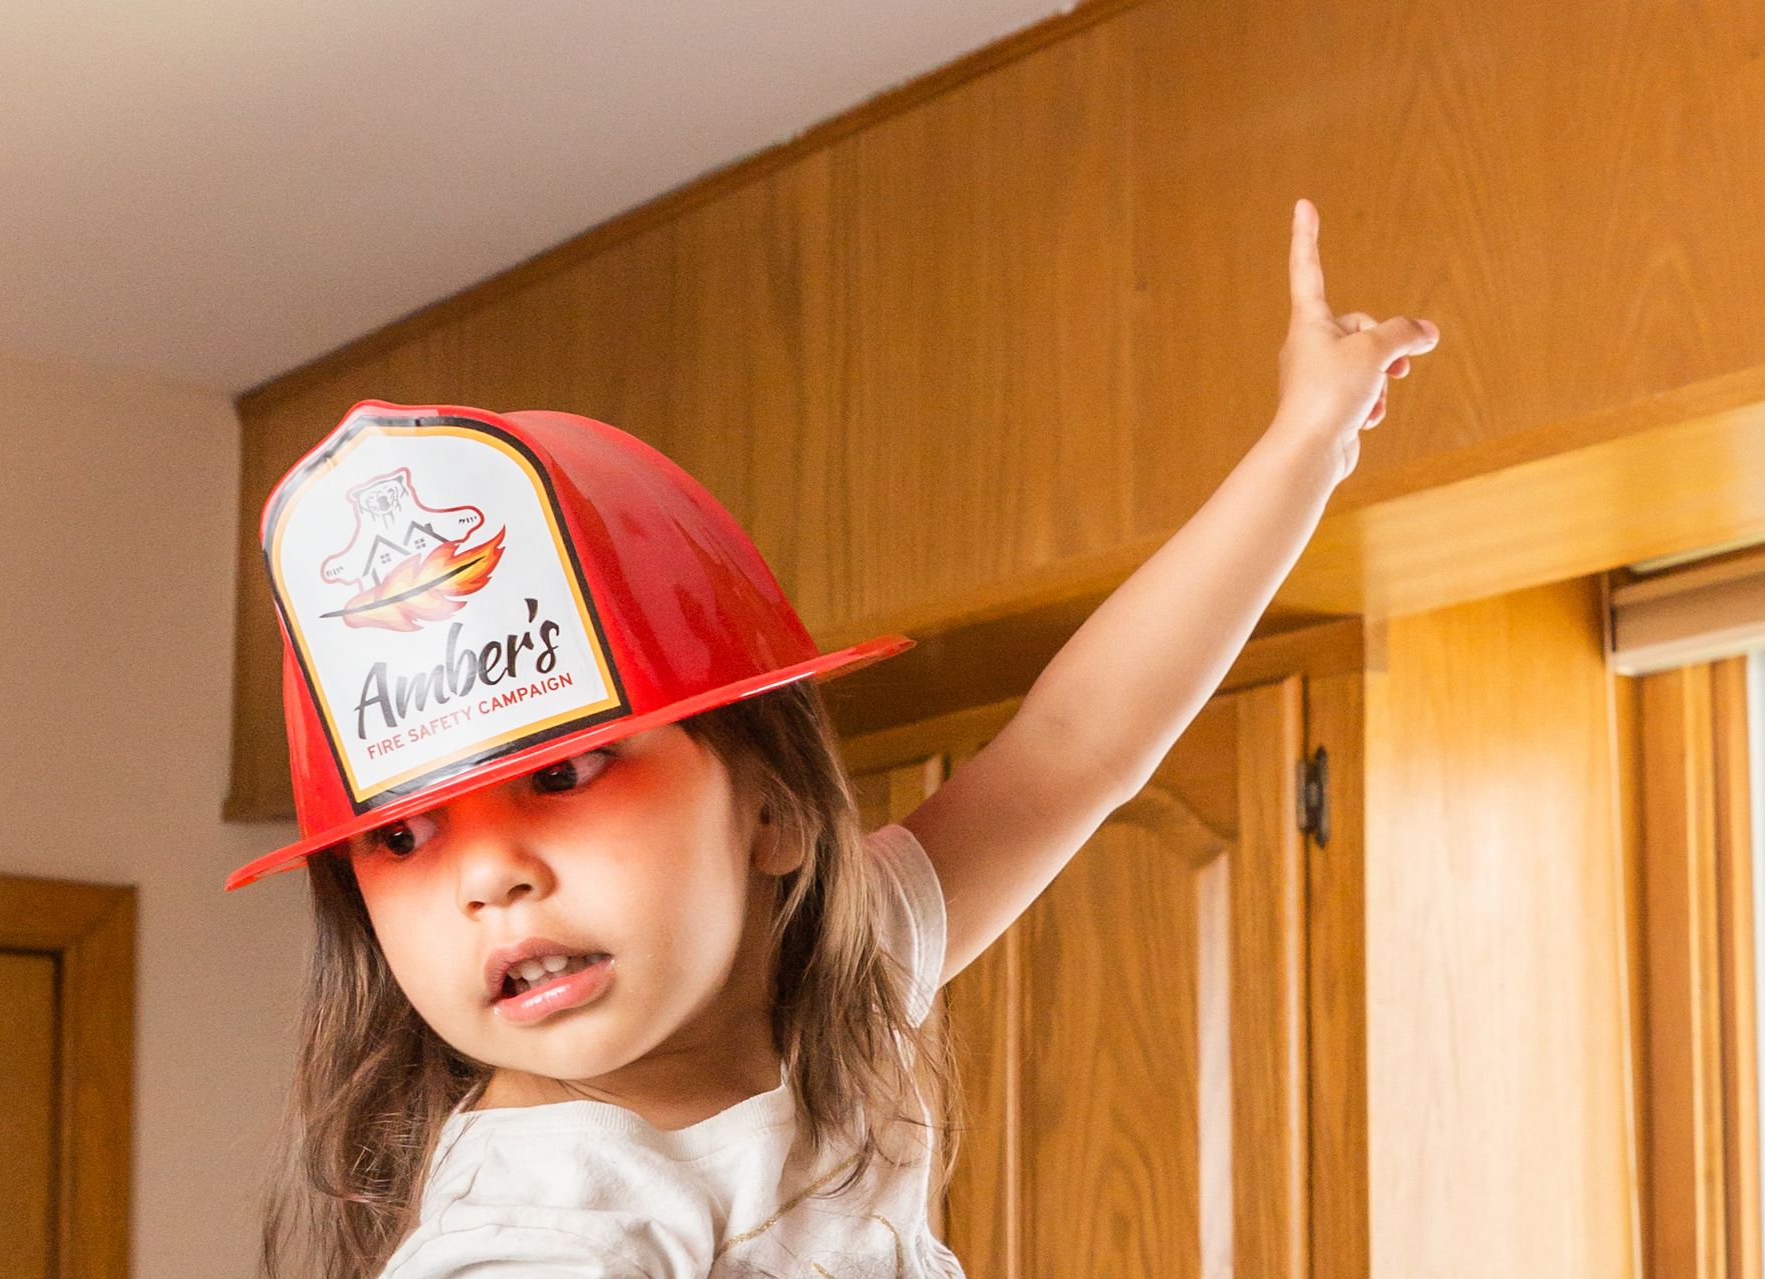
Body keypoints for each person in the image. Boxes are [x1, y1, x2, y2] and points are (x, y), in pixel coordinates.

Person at [239, 199, 1436, 1279]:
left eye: (562, 772)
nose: (489, 877)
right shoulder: (538, 1228)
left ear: (773, 809)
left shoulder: (825, 986)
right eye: (402, 836)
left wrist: (1307, 446)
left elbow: (1081, 743)